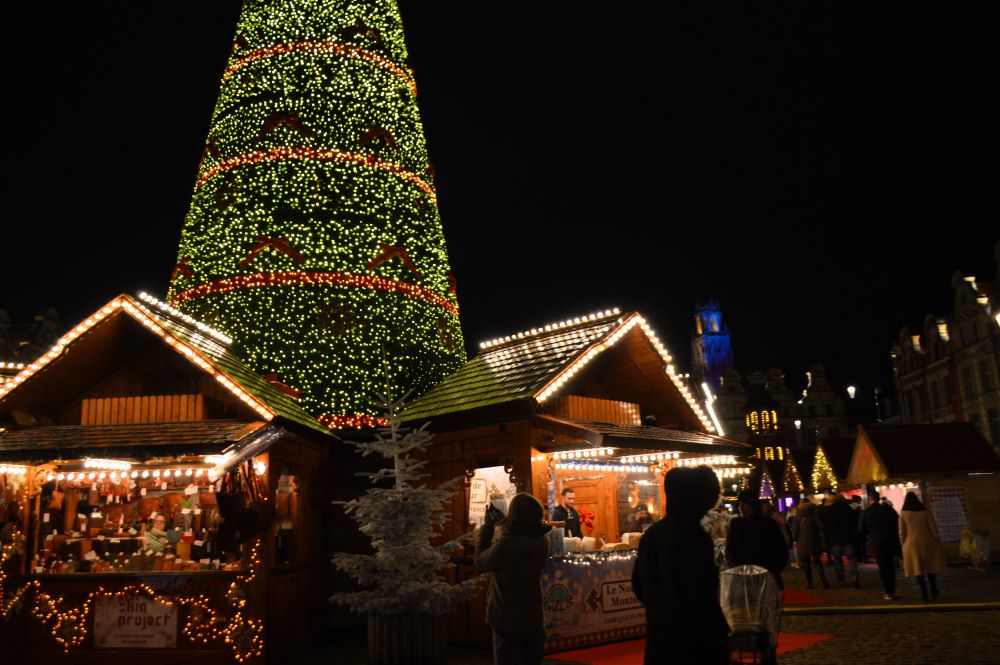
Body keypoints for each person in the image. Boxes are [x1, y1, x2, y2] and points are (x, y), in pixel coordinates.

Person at [632, 466, 729, 665]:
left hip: (660, 637)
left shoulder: (652, 535)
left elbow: (638, 585)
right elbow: (699, 594)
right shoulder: (694, 538)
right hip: (692, 642)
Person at [475, 493, 552, 665]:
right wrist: (503, 522)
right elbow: (523, 533)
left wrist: (488, 527)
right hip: (533, 613)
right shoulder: (544, 540)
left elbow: (480, 561)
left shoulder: (506, 544)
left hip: (506, 614)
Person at [725, 490, 789, 590]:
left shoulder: (768, 524)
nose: (741, 508)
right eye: (739, 505)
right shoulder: (736, 524)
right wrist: (738, 568)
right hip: (742, 577)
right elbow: (730, 550)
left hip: (766, 576)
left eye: (745, 505)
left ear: (753, 506)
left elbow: (780, 550)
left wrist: (771, 570)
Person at [899, 491, 946, 602]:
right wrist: (937, 539)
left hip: (911, 545)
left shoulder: (903, 514)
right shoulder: (925, 512)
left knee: (918, 569)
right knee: (930, 568)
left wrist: (902, 543)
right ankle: (933, 591)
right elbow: (933, 528)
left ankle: (924, 594)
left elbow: (901, 532)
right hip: (928, 543)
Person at [859, 490, 900, 600]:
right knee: (890, 565)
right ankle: (892, 589)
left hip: (876, 541)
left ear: (870, 499)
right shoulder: (888, 509)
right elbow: (897, 522)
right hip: (890, 540)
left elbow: (861, 529)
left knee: (883, 567)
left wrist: (868, 536)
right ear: (878, 497)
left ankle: (888, 592)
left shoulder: (866, 512)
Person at [824, 494, 861, 588]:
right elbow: (854, 522)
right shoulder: (848, 509)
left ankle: (841, 579)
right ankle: (854, 577)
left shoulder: (828, 510)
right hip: (848, 537)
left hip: (835, 538)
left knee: (837, 560)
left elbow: (826, 525)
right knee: (852, 559)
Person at [792, 498, 829, 589]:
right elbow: (821, 526)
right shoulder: (814, 514)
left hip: (802, 542)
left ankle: (810, 583)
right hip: (814, 540)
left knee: (806, 564)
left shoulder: (798, 516)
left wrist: (795, 540)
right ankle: (824, 581)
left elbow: (795, 531)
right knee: (817, 562)